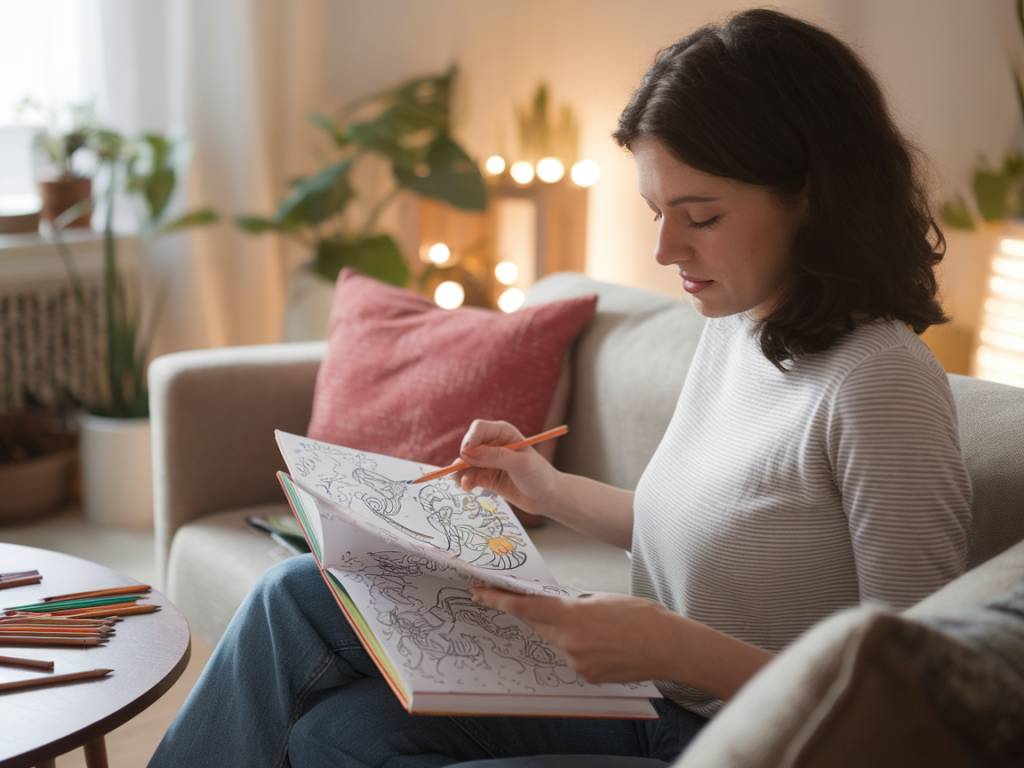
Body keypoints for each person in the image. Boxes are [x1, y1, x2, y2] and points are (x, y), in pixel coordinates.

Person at [149, 8, 971, 767]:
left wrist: (676, 650)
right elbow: (692, 527)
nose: (663, 251)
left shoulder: (882, 385)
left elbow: (916, 711)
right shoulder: (739, 326)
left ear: (810, 193)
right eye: (655, 210)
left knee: (344, 742)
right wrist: (542, 486)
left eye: (701, 216)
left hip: (753, 744)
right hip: (666, 700)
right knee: (304, 605)